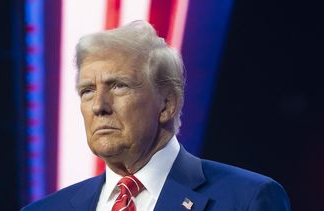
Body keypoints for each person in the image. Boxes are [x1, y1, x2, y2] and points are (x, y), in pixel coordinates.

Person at [22, 20, 291, 211]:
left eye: (118, 85)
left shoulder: (247, 199)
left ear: (167, 105)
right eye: (88, 91)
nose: (99, 106)